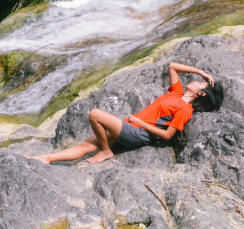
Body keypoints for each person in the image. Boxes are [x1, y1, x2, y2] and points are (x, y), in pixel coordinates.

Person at [26, 61, 224, 165]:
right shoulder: (177, 93)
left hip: (138, 134)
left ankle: (106, 151)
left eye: (199, 83)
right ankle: (46, 159)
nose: (195, 80)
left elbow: (167, 134)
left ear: (201, 93)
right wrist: (201, 72)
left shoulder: (185, 109)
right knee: (86, 145)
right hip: (130, 126)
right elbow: (172, 66)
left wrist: (140, 121)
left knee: (95, 114)